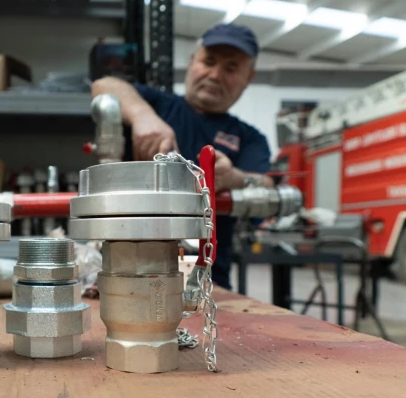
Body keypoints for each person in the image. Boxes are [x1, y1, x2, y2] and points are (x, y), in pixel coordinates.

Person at [91, 23, 274, 290]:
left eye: (231, 68)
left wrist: (233, 178)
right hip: (127, 273)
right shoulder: (156, 104)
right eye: (208, 62)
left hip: (208, 280)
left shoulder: (249, 138)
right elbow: (104, 85)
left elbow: (267, 185)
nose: (215, 74)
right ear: (191, 62)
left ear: (249, 78)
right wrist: (143, 116)